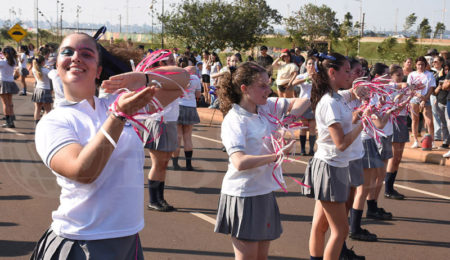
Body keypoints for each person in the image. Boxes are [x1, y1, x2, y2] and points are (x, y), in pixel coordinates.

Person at [31, 33, 189, 259]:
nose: (76, 57)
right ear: (56, 66)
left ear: (98, 71)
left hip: (128, 237)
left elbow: (182, 80)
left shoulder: (113, 104)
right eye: (67, 52)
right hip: (84, 241)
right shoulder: (54, 122)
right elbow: (84, 172)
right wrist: (118, 116)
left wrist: (142, 78)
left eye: (86, 54)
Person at [214, 61, 310, 260]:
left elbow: (304, 102)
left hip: (264, 191)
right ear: (245, 89)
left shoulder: (264, 108)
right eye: (263, 86)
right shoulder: (235, 120)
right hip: (244, 194)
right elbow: (239, 162)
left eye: (269, 83)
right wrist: (277, 155)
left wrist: (285, 123)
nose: (270, 90)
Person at [302, 52, 368, 260]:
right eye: (347, 71)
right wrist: (361, 123)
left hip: (334, 166)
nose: (351, 75)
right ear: (332, 72)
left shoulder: (336, 96)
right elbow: (340, 143)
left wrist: (359, 91)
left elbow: (351, 93)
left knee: (321, 226)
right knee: (340, 230)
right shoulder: (329, 102)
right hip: (330, 167)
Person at [143, 51, 182, 212]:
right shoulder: (157, 78)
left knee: (164, 163)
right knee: (158, 163)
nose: (175, 62)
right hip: (159, 122)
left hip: (169, 121)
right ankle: (154, 199)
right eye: (170, 60)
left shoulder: (173, 77)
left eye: (174, 59)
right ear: (161, 63)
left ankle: (160, 198)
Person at [385, 64, 410, 200]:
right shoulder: (390, 87)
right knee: (394, 157)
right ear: (391, 76)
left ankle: (391, 186)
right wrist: (402, 95)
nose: (401, 77)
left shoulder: (401, 87)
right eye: (398, 75)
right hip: (393, 120)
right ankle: (388, 188)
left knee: (399, 157)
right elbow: (392, 106)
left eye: (402, 75)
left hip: (402, 119)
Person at [172, 66, 202, 171]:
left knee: (178, 136)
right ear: (193, 71)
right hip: (190, 106)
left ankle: (175, 164)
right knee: (188, 137)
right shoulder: (196, 79)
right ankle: (188, 164)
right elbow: (198, 94)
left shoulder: (178, 76)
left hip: (178, 107)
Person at [408, 56, 436, 148]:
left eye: (422, 64)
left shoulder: (430, 74)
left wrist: (425, 99)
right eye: (419, 64)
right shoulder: (411, 74)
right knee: (415, 120)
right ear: (416, 65)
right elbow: (410, 88)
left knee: (429, 121)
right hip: (414, 100)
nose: (420, 66)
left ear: (425, 65)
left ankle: (432, 141)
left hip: (426, 99)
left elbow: (431, 88)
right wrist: (417, 94)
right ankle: (415, 140)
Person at [291, 57, 317, 156]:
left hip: (314, 103)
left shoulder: (319, 76)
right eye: (309, 64)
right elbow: (293, 83)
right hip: (303, 103)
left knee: (312, 127)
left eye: (313, 64)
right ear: (306, 66)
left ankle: (311, 149)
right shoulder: (302, 76)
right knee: (303, 127)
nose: (311, 66)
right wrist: (307, 78)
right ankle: (302, 150)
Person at [0, 46, 20, 128]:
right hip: (10, 82)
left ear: (4, 53)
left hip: (3, 82)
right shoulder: (13, 61)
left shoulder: (3, 62)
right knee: (10, 102)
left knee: (5, 103)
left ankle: (9, 122)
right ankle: (11, 120)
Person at [31, 55, 53, 125]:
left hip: (38, 89)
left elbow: (40, 69)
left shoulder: (34, 69)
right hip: (45, 89)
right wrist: (49, 68)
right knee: (48, 110)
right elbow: (52, 77)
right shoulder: (45, 70)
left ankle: (37, 124)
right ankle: (45, 124)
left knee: (37, 109)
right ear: (43, 62)